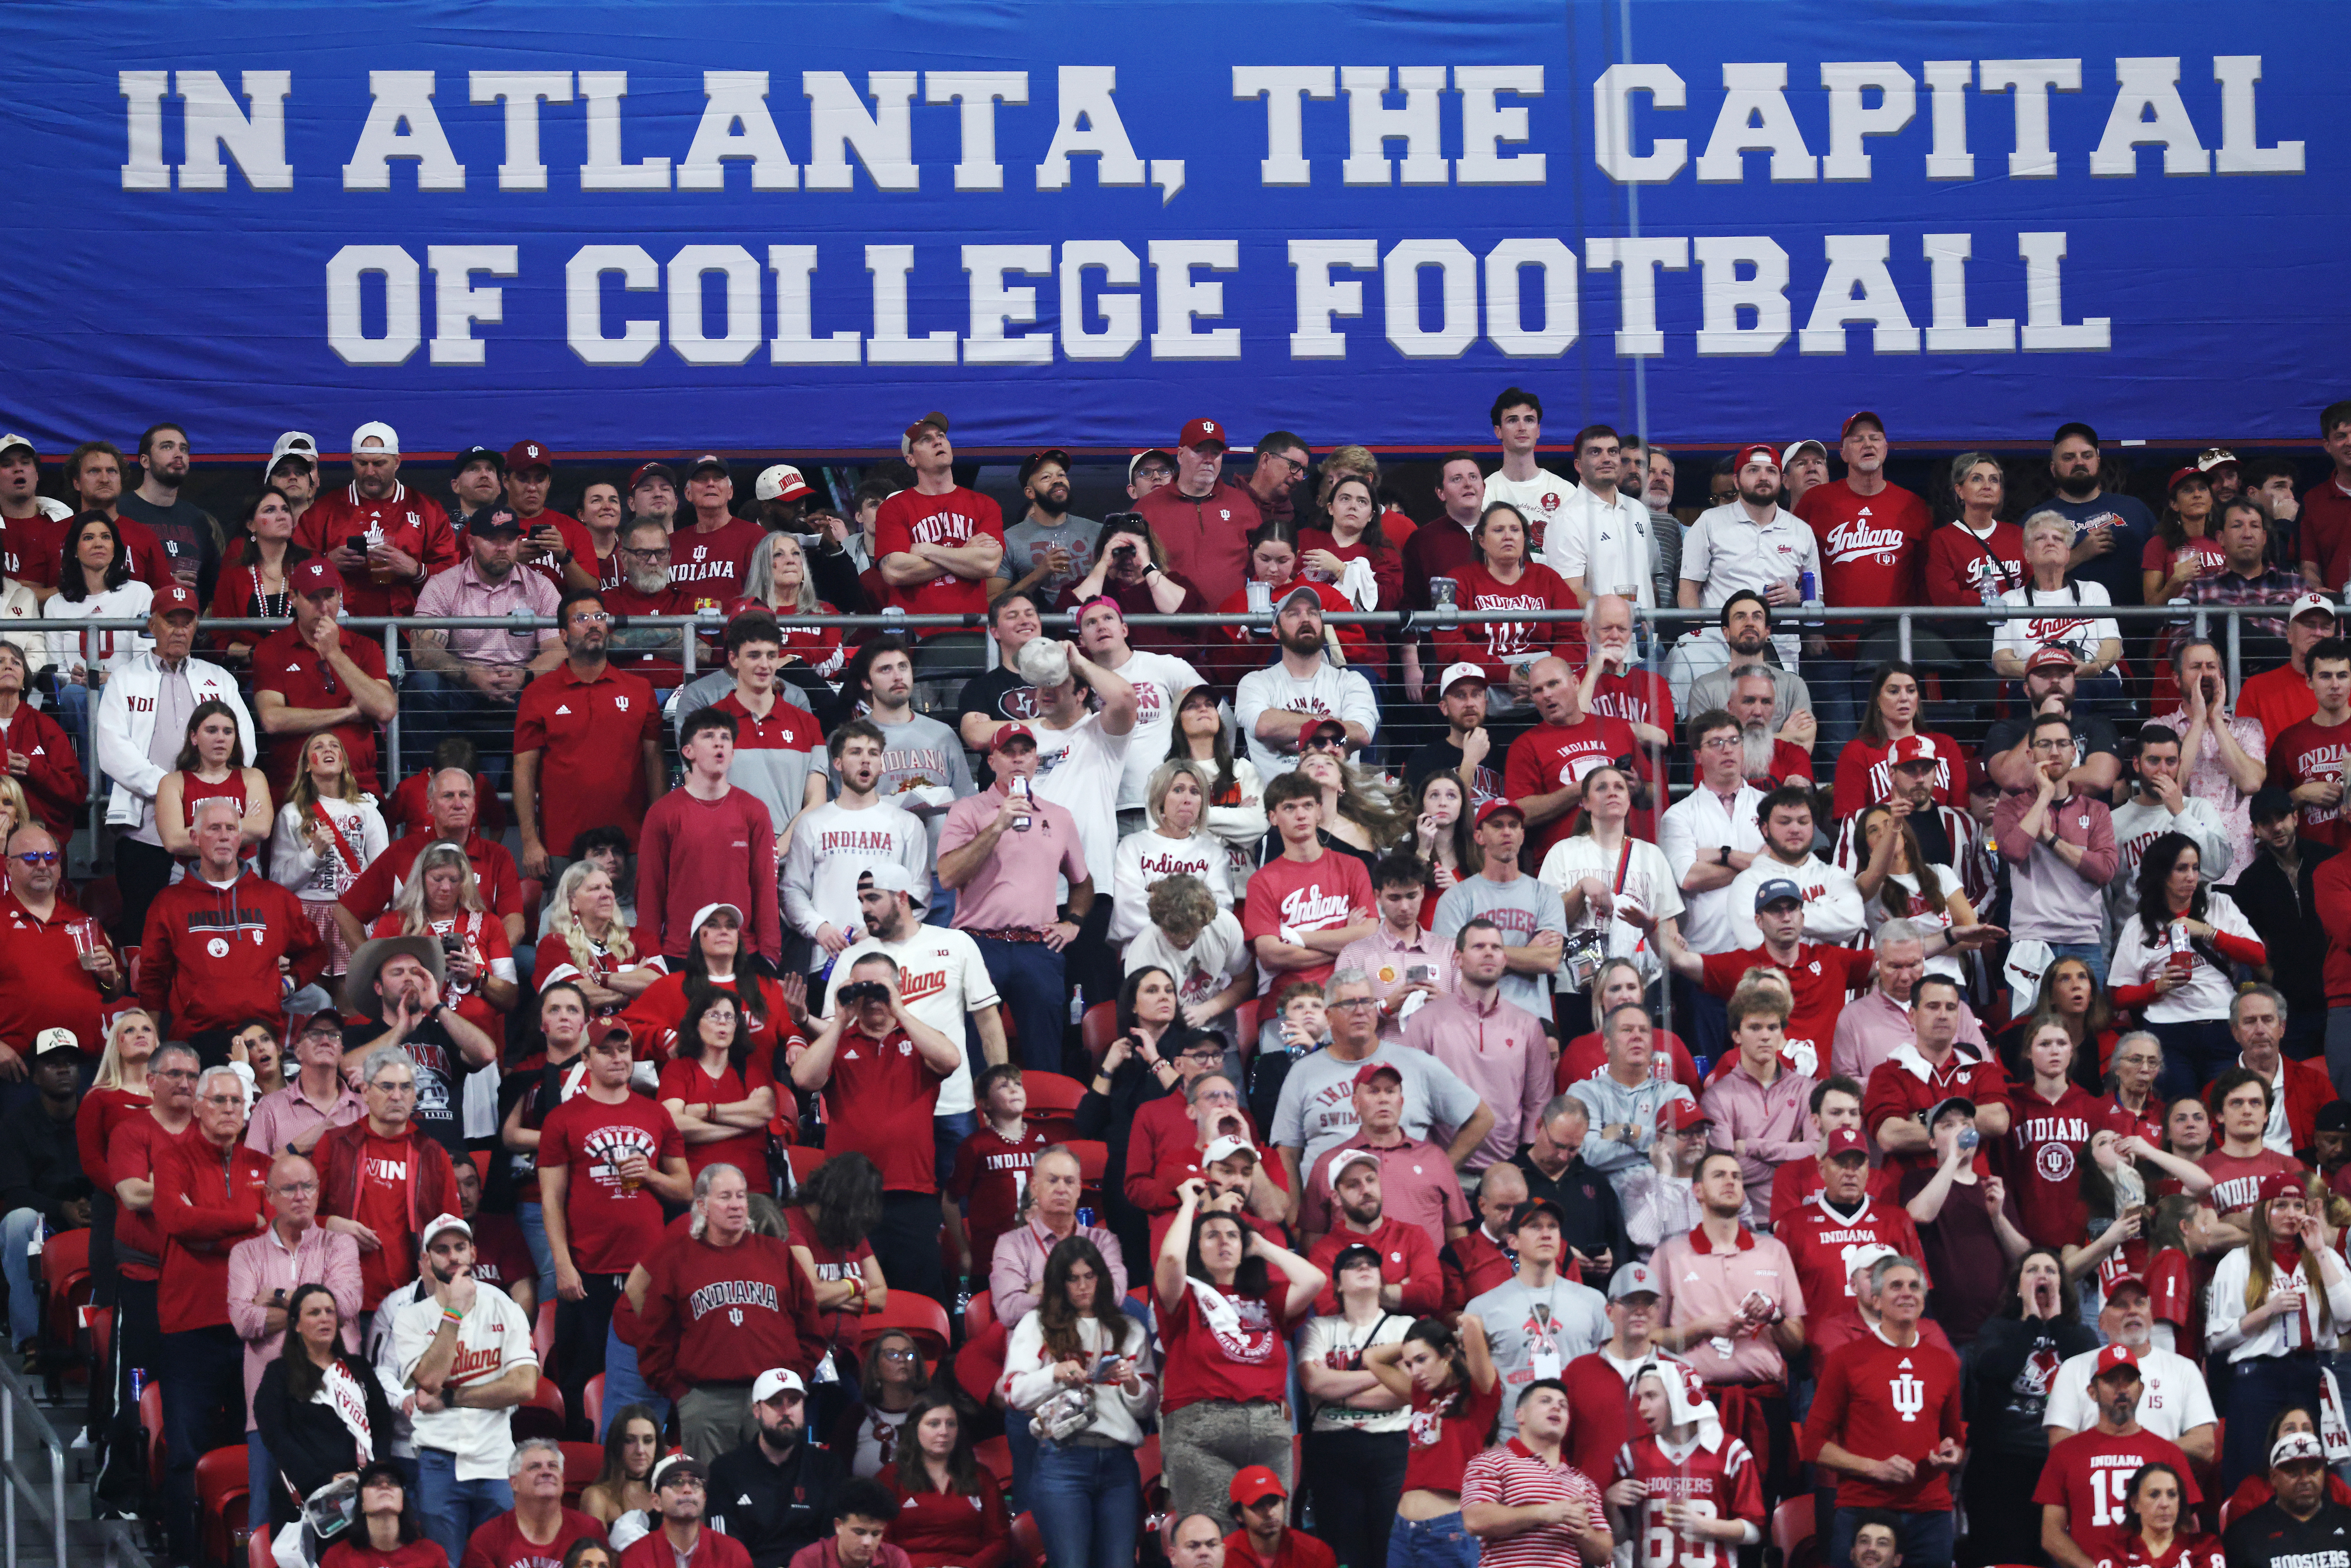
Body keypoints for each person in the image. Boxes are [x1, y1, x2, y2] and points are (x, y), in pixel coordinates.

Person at [539, 1027, 690, 1435]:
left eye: (623, 1049)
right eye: (604, 1051)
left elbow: (686, 1188)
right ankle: (590, 1467)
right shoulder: (562, 1119)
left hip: (649, 1274)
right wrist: (564, 1265)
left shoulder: (655, 1113)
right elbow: (551, 1199)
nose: (617, 1058)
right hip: (590, 1271)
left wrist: (653, 1176)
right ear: (586, 1060)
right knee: (584, 1377)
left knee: (656, 1373)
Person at [152, 1063, 273, 1562]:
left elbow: (280, 1234)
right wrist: (248, 1222)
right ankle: (187, 1554)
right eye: (218, 1100)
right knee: (187, 1451)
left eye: (237, 1103)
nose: (229, 1109)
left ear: (248, 1112)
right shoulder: (172, 1156)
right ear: (198, 1106)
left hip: (253, 1330)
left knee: (250, 1449)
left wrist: (215, 1233)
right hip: (190, 1326)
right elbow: (178, 1221)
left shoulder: (263, 1165)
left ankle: (244, 1555)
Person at [1154, 1176, 1326, 1527]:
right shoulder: (1185, 1295)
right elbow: (1171, 1256)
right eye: (1212, 1235)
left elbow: (1314, 1281)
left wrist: (1260, 1245)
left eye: (1232, 1235)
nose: (1224, 1242)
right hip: (1201, 1432)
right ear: (1197, 1248)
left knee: (1272, 1539)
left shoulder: (1266, 1298)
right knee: (1216, 1542)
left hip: (1266, 1429)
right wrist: (1190, 1203)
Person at [790, 954, 961, 1304]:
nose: (870, 998)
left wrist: (899, 1010)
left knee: (919, 1295)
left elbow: (951, 1059)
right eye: (861, 989)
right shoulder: (839, 1042)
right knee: (857, 1299)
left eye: (879, 989)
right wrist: (839, 1021)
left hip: (911, 1190)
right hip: (848, 1196)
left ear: (898, 990)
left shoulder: (917, 1037)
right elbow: (804, 1079)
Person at [94, 584, 256, 939]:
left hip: (212, 822)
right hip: (145, 827)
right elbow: (112, 751)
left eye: (188, 621)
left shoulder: (219, 679)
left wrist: (205, 789)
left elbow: (245, 742)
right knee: (144, 925)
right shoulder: (125, 679)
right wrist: (174, 792)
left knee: (213, 926)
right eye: (171, 621)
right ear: (152, 625)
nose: (180, 629)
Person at [636, 1164, 822, 1460]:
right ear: (702, 1206)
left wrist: (797, 1377)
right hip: (706, 1401)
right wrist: (682, 1394)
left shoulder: (776, 1253)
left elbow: (810, 1324)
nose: (736, 1205)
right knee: (711, 1497)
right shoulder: (678, 1259)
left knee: (774, 1492)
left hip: (774, 1396)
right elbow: (654, 1335)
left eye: (741, 1196)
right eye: (725, 1197)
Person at [937, 722, 1092, 1072]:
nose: (1018, 760)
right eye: (1009, 752)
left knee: (1044, 1056)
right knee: (974, 1056)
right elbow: (947, 876)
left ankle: (1043, 1125)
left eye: (1026, 752)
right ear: (992, 762)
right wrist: (997, 826)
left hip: (1038, 947)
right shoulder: (968, 810)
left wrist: (1074, 923)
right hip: (978, 945)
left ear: (1037, 761)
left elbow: (1082, 882)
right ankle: (975, 1124)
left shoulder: (1059, 816)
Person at [391, 1209, 541, 1564]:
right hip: (439, 1459)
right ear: (426, 1260)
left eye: (461, 1246)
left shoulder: (505, 1307)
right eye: (442, 1249)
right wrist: (455, 1312)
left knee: (499, 1562)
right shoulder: (410, 1319)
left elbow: (525, 1386)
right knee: (446, 1562)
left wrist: (453, 1396)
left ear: (474, 1253)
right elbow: (428, 1379)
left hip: (496, 1460)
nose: (453, 1255)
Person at [1800, 1253, 1963, 1568]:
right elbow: (1812, 1445)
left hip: (1930, 1511)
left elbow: (1953, 1437)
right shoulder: (1846, 1359)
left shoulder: (1943, 1363)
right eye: (1896, 1286)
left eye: (1914, 1286)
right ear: (1875, 1300)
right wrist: (1873, 1467)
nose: (1907, 1293)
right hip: (1863, 1510)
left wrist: (1950, 1453)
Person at [138, 796, 329, 1056]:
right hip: (196, 1040)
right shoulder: (169, 903)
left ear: (240, 839)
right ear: (195, 838)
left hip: (263, 1036)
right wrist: (154, 1046)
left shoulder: (275, 898)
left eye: (231, 829)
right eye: (214, 828)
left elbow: (316, 952)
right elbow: (153, 980)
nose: (224, 836)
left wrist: (288, 984)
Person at [231, 1151, 363, 1510]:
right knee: (267, 1519)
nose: (300, 1195)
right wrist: (316, 1310)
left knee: (340, 1523)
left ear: (319, 1192)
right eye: (289, 1188)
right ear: (269, 1196)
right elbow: (244, 1321)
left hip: (336, 1410)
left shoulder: (341, 1244)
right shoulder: (245, 1254)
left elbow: (345, 1305)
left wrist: (277, 1298)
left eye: (307, 1186)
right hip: (269, 1412)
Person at [511, 589, 665, 884]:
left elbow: (655, 764)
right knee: (567, 927)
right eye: (581, 619)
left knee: (633, 926)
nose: (593, 624)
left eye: (600, 617)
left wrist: (656, 833)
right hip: (562, 844)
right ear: (563, 635)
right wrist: (530, 842)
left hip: (629, 843)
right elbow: (523, 770)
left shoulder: (640, 689)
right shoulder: (537, 695)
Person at [2110, 833, 2265, 1084]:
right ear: (2161, 874)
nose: (2192, 877)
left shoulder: (2219, 906)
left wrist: (2209, 933)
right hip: (2168, 1029)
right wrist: (2157, 987)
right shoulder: (2138, 925)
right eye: (2181, 869)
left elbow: (2258, 956)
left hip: (2222, 1023)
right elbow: (2118, 996)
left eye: (2195, 868)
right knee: (2181, 1111)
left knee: (2224, 1108)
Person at [1405, 917, 1551, 1175]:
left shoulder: (1528, 1025)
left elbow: (1538, 1101)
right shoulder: (1425, 1021)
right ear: (1457, 959)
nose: (1489, 953)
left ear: (1505, 960)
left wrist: (1525, 1162)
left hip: (1507, 1171)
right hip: (1442, 1169)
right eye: (1479, 947)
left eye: (1496, 948)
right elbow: (1409, 1098)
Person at [1296, 1243, 1412, 1567]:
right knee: (1341, 1549)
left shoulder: (1404, 1327)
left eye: (1371, 1265)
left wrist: (1339, 1393)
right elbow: (1314, 1383)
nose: (1364, 1268)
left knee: (1390, 1547)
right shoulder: (1318, 1327)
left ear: (1381, 1280)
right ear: (1336, 1284)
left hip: (1391, 1445)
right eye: (1352, 1265)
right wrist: (1384, 1374)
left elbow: (1407, 1391)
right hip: (1332, 1448)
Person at [781, 722, 929, 972]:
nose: (866, 760)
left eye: (873, 753)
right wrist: (820, 928)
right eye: (856, 752)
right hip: (827, 958)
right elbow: (792, 889)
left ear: (881, 764)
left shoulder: (907, 824)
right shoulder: (812, 823)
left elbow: (920, 892)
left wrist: (882, 929)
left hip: (890, 957)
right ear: (837, 764)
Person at [2037, 1346, 2203, 1568]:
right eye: (2112, 1380)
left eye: (2130, 1380)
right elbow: (2051, 1534)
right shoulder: (2065, 1453)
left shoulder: (2169, 1453)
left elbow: (2186, 1526)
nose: (2122, 1389)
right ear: (2092, 1392)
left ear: (2141, 1389)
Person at [1354, 1315, 1499, 1568]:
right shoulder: (1422, 1395)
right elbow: (1371, 1359)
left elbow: (1474, 1325)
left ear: (1448, 1354)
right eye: (1409, 1364)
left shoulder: (1478, 1396)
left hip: (1449, 1530)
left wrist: (1450, 1330)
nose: (1415, 1372)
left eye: (1422, 1360)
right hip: (1402, 1529)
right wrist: (1415, 1343)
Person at [637, 709, 781, 966]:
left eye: (726, 737)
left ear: (733, 754)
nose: (719, 743)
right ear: (688, 752)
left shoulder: (755, 811)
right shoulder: (662, 814)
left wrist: (770, 953)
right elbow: (650, 891)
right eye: (708, 736)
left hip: (742, 952)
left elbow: (766, 887)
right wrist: (649, 955)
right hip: (679, 952)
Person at [251, 557, 399, 801]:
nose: (323, 608)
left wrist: (335, 653)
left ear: (340, 596)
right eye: (313, 598)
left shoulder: (365, 647)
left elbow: (385, 709)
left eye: (329, 596)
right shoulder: (271, 649)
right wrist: (347, 714)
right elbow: (273, 719)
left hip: (358, 783)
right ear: (293, 598)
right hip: (297, 785)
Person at [1464, 1197, 1608, 1442]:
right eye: (1534, 1226)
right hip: (1514, 1438)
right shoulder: (1483, 1308)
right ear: (1513, 1241)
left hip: (1579, 1435)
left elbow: (1608, 1373)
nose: (1546, 1234)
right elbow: (1479, 1388)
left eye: (1552, 1227)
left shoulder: (1593, 1301)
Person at [337, 767, 526, 951]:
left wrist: (487, 963)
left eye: (465, 796)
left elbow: (514, 923)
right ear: (430, 806)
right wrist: (373, 967)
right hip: (415, 971)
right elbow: (346, 913)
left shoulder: (498, 856)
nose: (458, 804)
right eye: (448, 796)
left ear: (475, 805)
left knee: (527, 961)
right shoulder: (402, 852)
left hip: (476, 968)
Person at [252, 1281, 392, 1526]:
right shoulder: (279, 1373)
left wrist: (366, 1474)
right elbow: (276, 1436)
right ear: (296, 1324)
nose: (324, 1319)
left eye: (330, 1312)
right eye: (314, 1313)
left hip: (361, 1490)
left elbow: (382, 1425)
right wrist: (327, 1480)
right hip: (306, 1494)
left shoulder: (358, 1368)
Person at [1605, 1361, 1765, 1568]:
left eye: (1651, 1396)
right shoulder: (1632, 1455)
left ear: (1678, 1397)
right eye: (1639, 1398)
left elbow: (1755, 1532)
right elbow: (1620, 1538)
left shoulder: (1730, 1452)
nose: (1642, 1408)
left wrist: (1706, 1526)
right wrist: (1610, 1504)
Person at [1427, 501, 1576, 711]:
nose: (1508, 536)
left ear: (1524, 539)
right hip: (1480, 678)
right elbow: (1449, 646)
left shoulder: (1548, 578)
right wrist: (1504, 674)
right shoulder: (1454, 581)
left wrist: (1547, 678)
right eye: (1498, 530)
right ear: (1481, 540)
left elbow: (1574, 637)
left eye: (1515, 530)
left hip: (1544, 677)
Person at [2152, 637, 2270, 889]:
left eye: (2211, 667)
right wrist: (2198, 721)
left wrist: (2216, 721)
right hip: (2180, 870)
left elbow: (2251, 783)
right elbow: (2172, 786)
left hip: (2239, 868)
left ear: (2222, 676)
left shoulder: (2247, 728)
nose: (2205, 674)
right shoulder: (2158, 728)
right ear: (2176, 679)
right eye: (2196, 667)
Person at [1698, 982, 1818, 1227]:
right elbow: (1724, 1173)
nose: (1765, 1036)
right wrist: (1790, 1154)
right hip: (1747, 1226)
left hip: (1803, 1222)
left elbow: (1818, 1157)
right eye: (1755, 1027)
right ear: (1737, 1035)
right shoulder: (1717, 1097)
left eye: (1773, 1027)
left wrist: (1752, 1147)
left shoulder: (1807, 1089)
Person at [1505, 656, 1645, 867]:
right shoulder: (1525, 746)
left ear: (1575, 683)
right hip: (1564, 866)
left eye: (1554, 684)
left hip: (1624, 859)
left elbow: (1652, 795)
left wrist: (1639, 788)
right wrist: (1583, 789)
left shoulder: (1619, 729)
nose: (1548, 695)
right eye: (1538, 690)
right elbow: (1520, 813)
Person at [1459, 1378, 1613, 1567]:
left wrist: (1584, 1531)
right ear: (1520, 1415)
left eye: (1563, 1406)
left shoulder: (1584, 1483)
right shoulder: (1491, 1462)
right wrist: (1544, 1512)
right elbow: (1475, 1520)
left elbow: (1604, 1555)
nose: (1557, 1408)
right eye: (1545, 1401)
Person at [701, 1371, 843, 1568]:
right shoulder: (725, 1471)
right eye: (776, 1402)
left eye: (794, 1401)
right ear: (757, 1411)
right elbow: (724, 1549)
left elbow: (834, 1543)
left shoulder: (828, 1468)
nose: (786, 1411)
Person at [1991, 512, 2126, 715]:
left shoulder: (2093, 591)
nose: (2050, 543)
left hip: (2090, 679)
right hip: (2033, 682)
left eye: (2058, 539)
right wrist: (2040, 670)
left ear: (2068, 553)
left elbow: (2113, 645)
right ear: (2027, 555)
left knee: (2073, 691)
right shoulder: (2011, 600)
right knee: (2032, 692)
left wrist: (2092, 668)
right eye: (2040, 538)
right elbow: (2001, 659)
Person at [1564, 1003, 1697, 1204]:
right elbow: (1586, 1155)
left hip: (1668, 1206)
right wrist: (1658, 1148)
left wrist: (1629, 1132)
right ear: (1607, 1045)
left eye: (1644, 1030)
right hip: (1604, 1207)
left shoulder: (1675, 1094)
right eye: (1627, 1030)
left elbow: (1690, 1148)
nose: (1637, 1036)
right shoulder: (1584, 1093)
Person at [1725, 783, 1865, 950]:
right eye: (1784, 822)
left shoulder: (1834, 875)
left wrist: (1780, 921)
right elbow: (1754, 942)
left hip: (1827, 975)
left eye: (1803, 822)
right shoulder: (1748, 882)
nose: (1795, 829)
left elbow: (1852, 921)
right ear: (1765, 829)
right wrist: (1823, 909)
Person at [1834, 662, 1970, 818]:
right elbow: (1849, 823)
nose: (1904, 698)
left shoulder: (1945, 745)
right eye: (1894, 691)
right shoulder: (1857, 752)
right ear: (1878, 700)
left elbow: (1960, 815)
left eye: (1911, 691)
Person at [460, 1441, 607, 1568]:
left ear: (563, 1480)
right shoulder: (487, 1538)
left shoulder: (591, 1530)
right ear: (514, 1483)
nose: (546, 1472)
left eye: (553, 1466)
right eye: (535, 1467)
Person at [209, 483, 310, 667]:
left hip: (308, 670)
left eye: (285, 510)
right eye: (270, 510)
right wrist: (258, 654)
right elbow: (220, 640)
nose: (282, 516)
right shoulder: (234, 575)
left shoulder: (311, 566)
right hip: (254, 675)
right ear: (251, 525)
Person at [623, 1454, 753, 1568]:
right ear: (657, 1502)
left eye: (695, 1482)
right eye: (676, 1482)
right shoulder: (636, 1555)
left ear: (704, 1498)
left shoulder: (733, 1554)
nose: (687, 1489)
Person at [2241, 597, 2342, 744]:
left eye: (2325, 627)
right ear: (2289, 635)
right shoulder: (2256, 688)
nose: (2318, 633)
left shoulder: (2346, 686)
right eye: (2310, 625)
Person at [321, 1460, 447, 1568]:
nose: (385, 1485)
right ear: (362, 1504)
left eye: (393, 1482)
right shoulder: (337, 1558)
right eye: (373, 1483)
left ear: (403, 1501)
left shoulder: (433, 1555)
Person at [580, 1405, 662, 1530]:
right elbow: (594, 1550)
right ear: (616, 1444)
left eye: (648, 1440)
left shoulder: (667, 1494)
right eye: (630, 1440)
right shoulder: (597, 1497)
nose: (640, 1450)